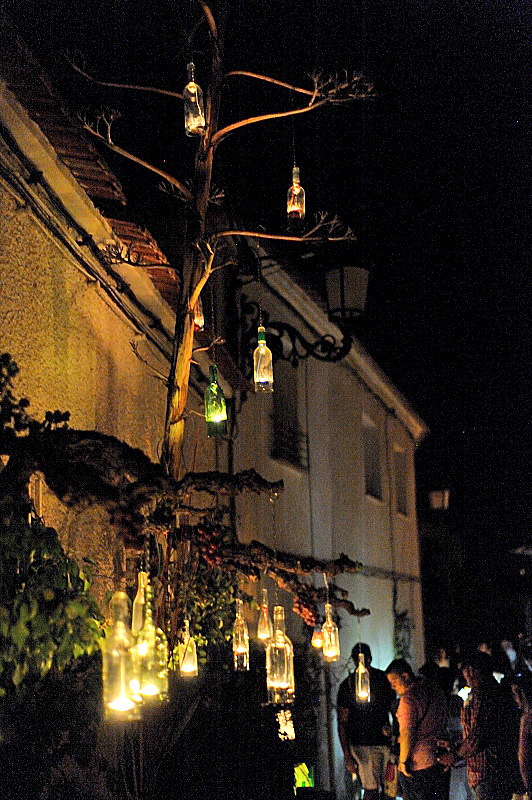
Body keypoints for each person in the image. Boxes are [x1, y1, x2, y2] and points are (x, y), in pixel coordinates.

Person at [439, 650, 522, 800]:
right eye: (465, 670)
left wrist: (455, 756)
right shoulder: (482, 694)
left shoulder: (485, 695)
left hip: (489, 774)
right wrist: (457, 744)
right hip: (485, 774)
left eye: (469, 670)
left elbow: (476, 738)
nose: (466, 675)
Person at [337, 643, 396, 800]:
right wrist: (347, 756)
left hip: (378, 742)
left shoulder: (381, 680)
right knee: (375, 790)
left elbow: (395, 710)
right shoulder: (348, 686)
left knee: (387, 790)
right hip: (364, 744)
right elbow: (342, 722)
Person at [385, 658, 448, 800]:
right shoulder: (435, 690)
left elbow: (407, 733)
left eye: (394, 682)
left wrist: (403, 762)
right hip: (440, 758)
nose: (392, 687)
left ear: (405, 676)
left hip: (418, 763)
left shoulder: (408, 699)